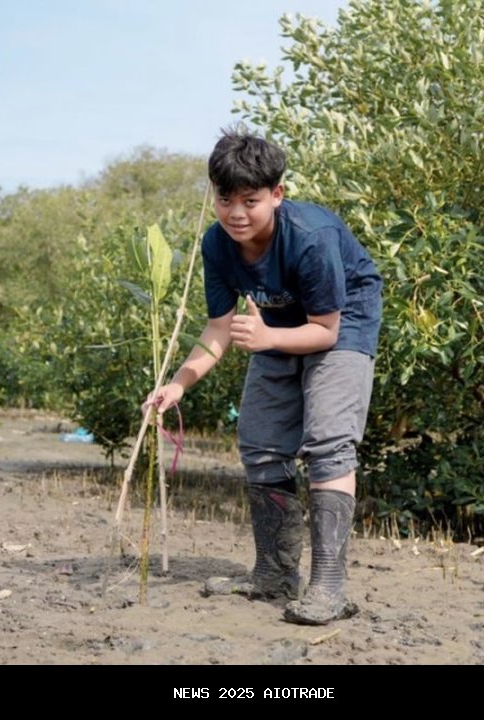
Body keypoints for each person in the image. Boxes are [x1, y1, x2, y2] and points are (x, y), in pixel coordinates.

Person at [143, 128, 383, 625]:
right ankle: (274, 574)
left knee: (329, 442)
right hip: (277, 325)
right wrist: (178, 383)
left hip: (341, 320)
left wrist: (269, 338)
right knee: (260, 440)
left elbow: (323, 331)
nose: (236, 213)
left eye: (250, 201)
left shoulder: (310, 239)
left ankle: (329, 586)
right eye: (225, 199)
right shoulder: (217, 244)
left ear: (277, 194)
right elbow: (218, 329)